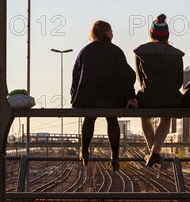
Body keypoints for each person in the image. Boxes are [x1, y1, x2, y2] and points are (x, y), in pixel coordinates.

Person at [71, 20, 137, 171]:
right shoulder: (116, 51)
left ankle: (84, 151)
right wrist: (130, 96)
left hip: (88, 99)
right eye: (111, 31)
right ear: (107, 32)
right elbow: (127, 76)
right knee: (112, 120)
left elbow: (75, 76)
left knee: (89, 119)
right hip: (112, 99)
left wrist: (75, 98)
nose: (113, 34)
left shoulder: (84, 52)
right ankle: (115, 155)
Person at [134, 14, 184, 167]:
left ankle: (152, 152)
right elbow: (179, 81)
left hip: (148, 96)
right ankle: (154, 153)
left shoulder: (141, 53)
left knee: (144, 116)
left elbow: (139, 79)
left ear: (151, 33)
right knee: (166, 118)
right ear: (167, 34)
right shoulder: (176, 55)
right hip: (170, 97)